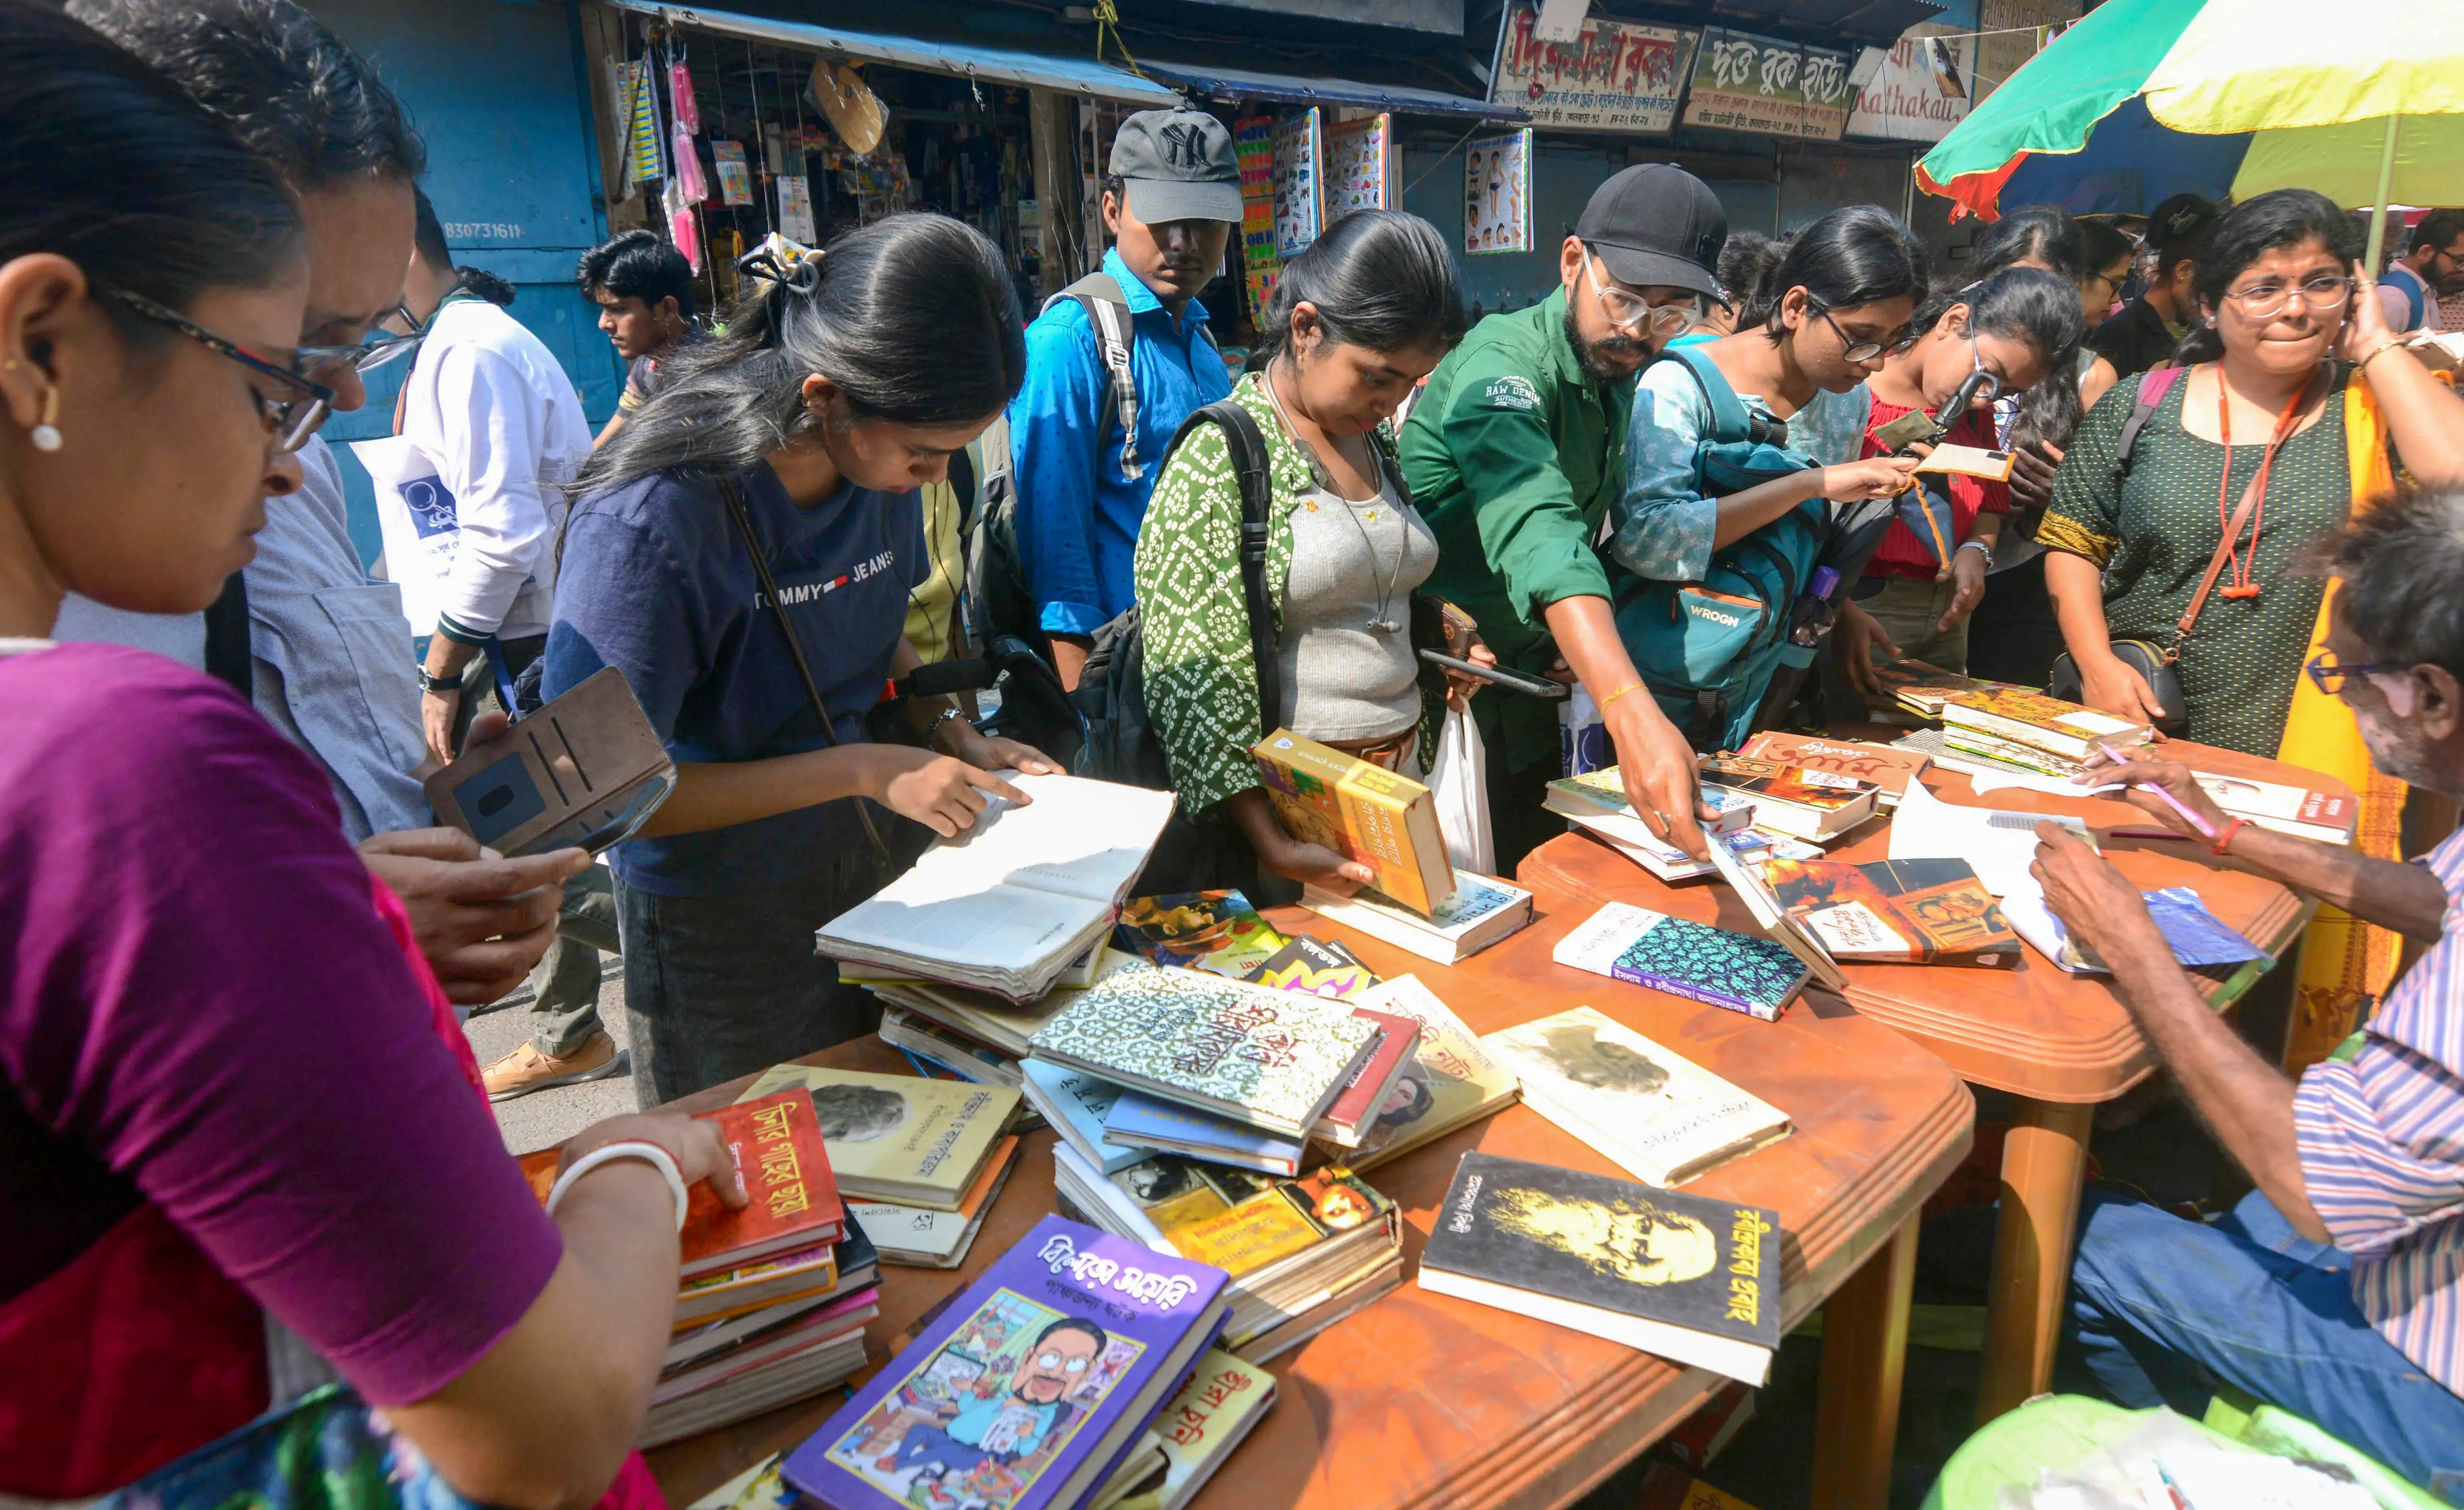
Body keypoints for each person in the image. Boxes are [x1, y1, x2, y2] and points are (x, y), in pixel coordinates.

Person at [0, 6, 742, 1501]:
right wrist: (634, 1162)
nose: (309, 442)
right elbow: (542, 1429)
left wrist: (334, 908)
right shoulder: (115, 765)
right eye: (278, 373)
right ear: (42, 344)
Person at [49, 0, 592, 1026]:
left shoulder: (296, 460)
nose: (342, 399)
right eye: (300, 345)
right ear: (53, 337)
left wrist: (436, 801)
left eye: (363, 338)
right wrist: (320, 923)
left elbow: (333, 765)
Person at [545, 215, 1052, 1106]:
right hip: (717, 919)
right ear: (825, 398)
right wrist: (864, 768)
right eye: (924, 455)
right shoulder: (653, 518)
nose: (936, 479)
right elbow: (595, 796)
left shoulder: (876, 466)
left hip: (870, 874)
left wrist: (947, 728)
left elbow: (870, 617)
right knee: (752, 1163)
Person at [2030, 487, 2464, 1487]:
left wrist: (2132, 945)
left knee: (2072, 1236)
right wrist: (2224, 832)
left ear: (2434, 697)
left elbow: (2314, 1186)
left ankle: (2200, 1472)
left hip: (2437, 1380)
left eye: (2345, 676)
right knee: (2227, 1226)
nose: (2338, 697)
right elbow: (2438, 900)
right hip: (2427, 1261)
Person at [1135, 209, 1486, 897]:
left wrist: (1435, 624)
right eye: (1377, 376)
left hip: (1397, 792)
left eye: (1411, 383)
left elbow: (1364, 574)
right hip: (1292, 822)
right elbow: (1195, 679)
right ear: (1305, 329)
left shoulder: (1372, 438)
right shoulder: (1220, 456)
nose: (1391, 402)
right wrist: (1272, 841)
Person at [2040, 189, 2464, 756]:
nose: (2295, 308)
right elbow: (2073, 544)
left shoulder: (2375, 405)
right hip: (2142, 719)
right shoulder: (2140, 404)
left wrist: (2376, 343)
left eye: (2322, 283)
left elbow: (2455, 483)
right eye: (2264, 289)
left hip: (2319, 734)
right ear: (2210, 305)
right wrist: (2097, 668)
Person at [1402, 163, 1731, 873]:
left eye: (1671, 316)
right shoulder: (1504, 364)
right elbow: (1541, 525)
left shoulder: (1613, 369)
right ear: (1573, 261)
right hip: (1445, 694)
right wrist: (1629, 706)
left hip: (1531, 687)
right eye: (1625, 300)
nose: (1640, 331)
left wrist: (1571, 644)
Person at [1610, 204, 1930, 749]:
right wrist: (1807, 485)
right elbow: (1649, 542)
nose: (1874, 363)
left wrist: (1842, 607)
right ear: (1797, 306)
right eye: (1861, 337)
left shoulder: (1847, 399)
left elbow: (1807, 536)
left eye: (1893, 340)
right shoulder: (1677, 387)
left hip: (1775, 673)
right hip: (1674, 676)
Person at [1008, 108, 1240, 688]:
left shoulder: (1204, 345)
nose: (1184, 243)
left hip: (1211, 669)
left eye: (1205, 222)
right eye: (1163, 219)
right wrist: (1088, 714)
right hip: (1122, 678)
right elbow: (1058, 560)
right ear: (1112, 210)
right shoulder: (1069, 341)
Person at [396, 188, 594, 765]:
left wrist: (438, 676)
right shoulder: (461, 341)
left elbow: (502, 539)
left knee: (527, 809)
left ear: (402, 252)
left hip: (523, 643)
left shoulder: (470, 352)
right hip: (513, 629)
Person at [1828, 268, 2083, 700]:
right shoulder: (1851, 396)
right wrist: (1838, 606)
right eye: (1989, 376)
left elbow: (1991, 501)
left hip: (1949, 615)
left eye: (2006, 392)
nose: (1986, 399)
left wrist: (1976, 551)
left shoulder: (1973, 415)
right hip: (1861, 608)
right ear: (1953, 321)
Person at [579, 227, 701, 447]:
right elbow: (607, 442)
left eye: (618, 310)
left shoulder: (706, 379)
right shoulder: (648, 365)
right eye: (604, 310)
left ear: (668, 309)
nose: (604, 324)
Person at [2089, 192, 2216, 381]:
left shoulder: (2195, 327)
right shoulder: (2119, 335)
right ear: (2184, 271)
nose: (2213, 293)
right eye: (2211, 280)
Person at [2380, 209, 2464, 336]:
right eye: (2459, 260)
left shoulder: (2425, 290)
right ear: (2425, 253)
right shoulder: (2393, 298)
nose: (2462, 268)